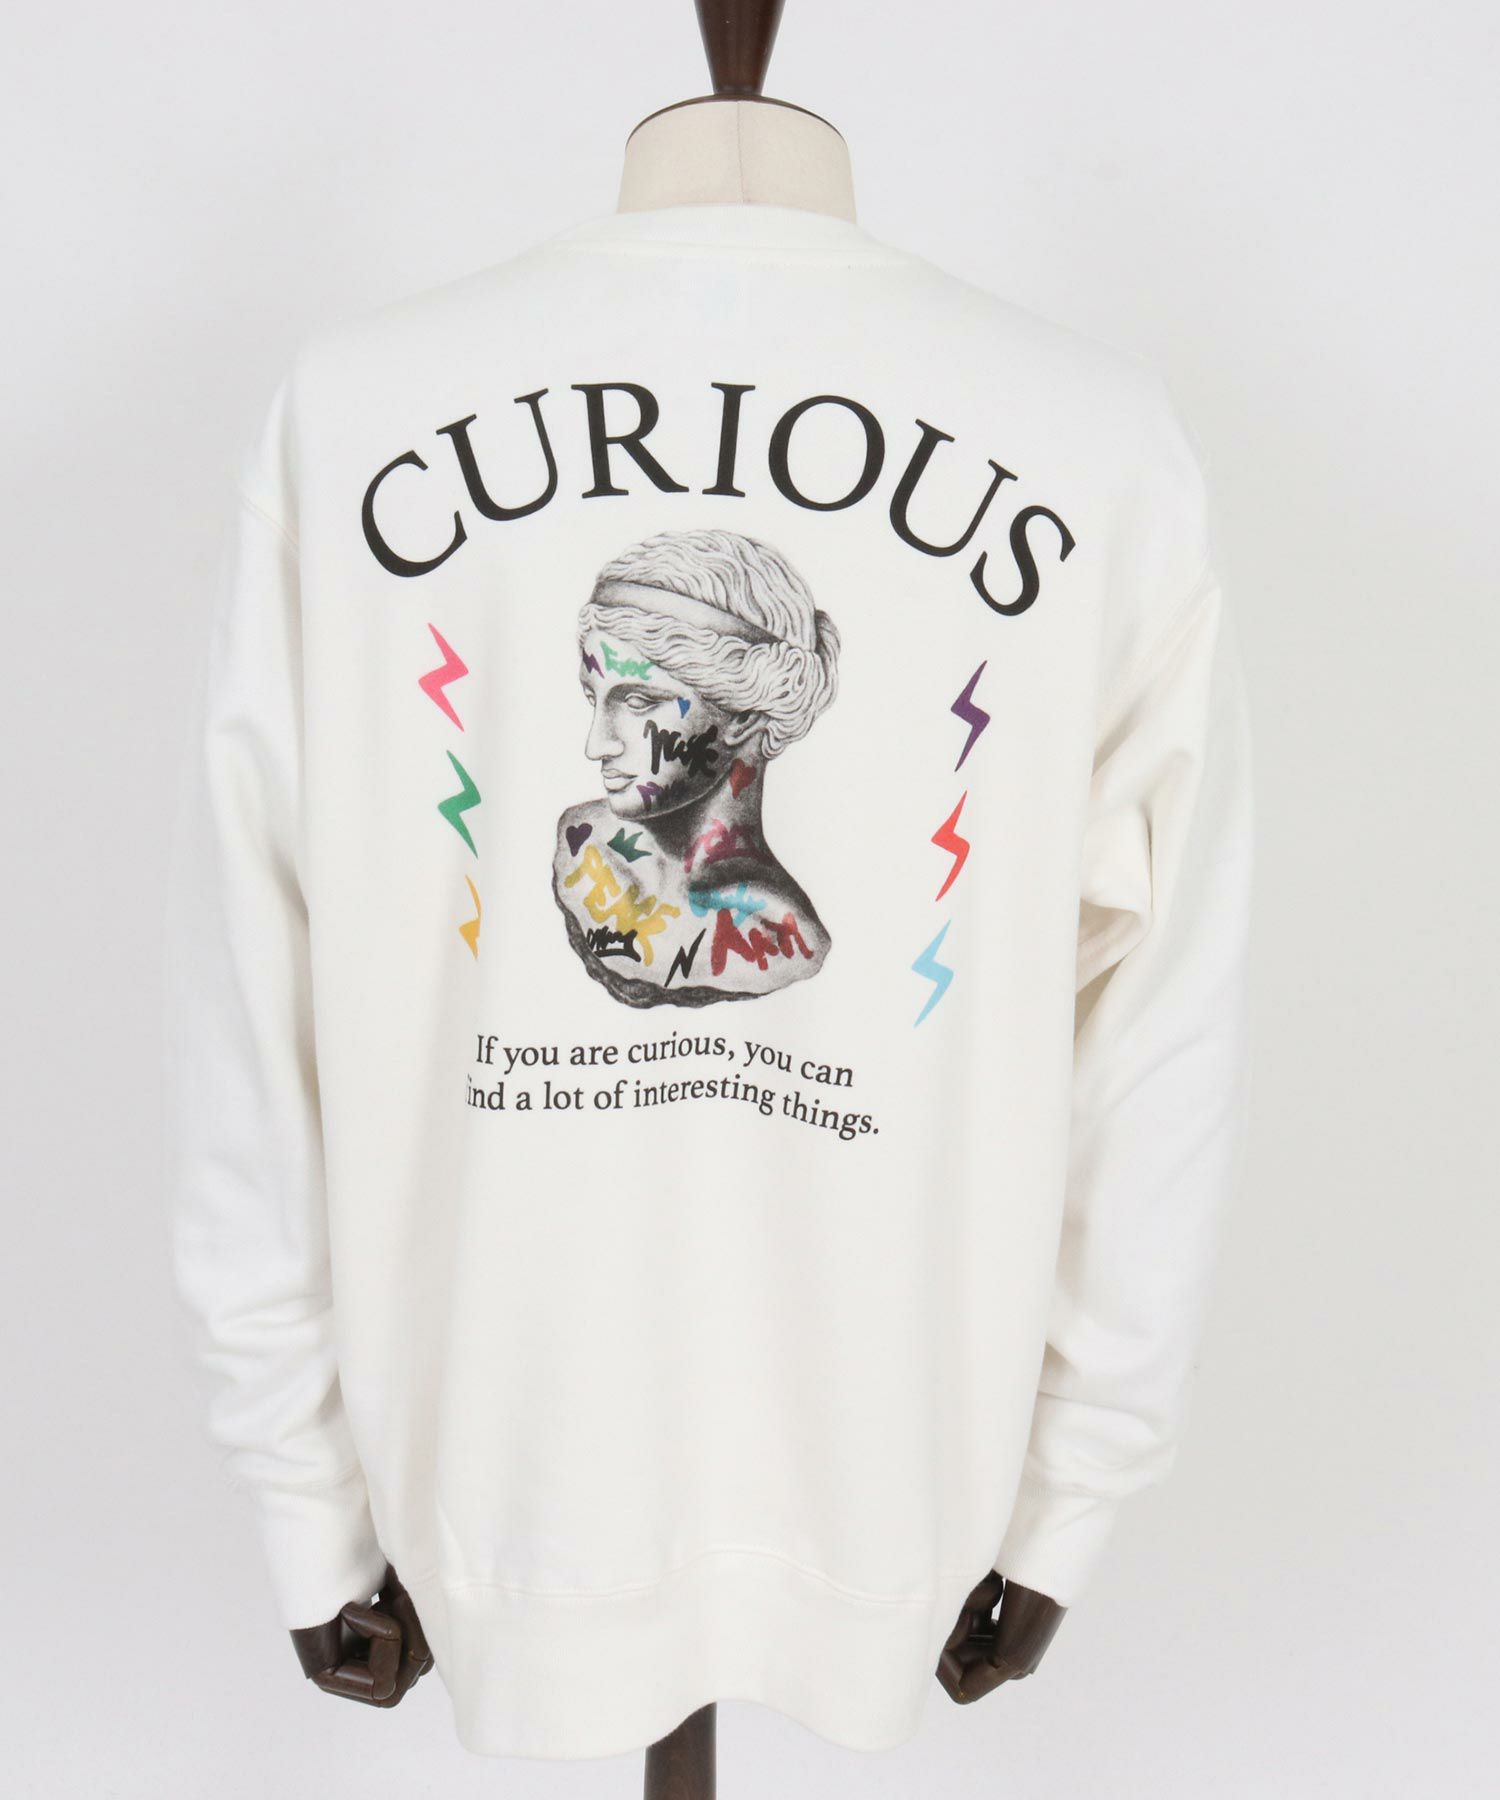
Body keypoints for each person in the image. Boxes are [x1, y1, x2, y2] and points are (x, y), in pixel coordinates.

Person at [552, 527, 840, 1007]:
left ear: (745, 715)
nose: (596, 744)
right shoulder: (582, 842)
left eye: (639, 702)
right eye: (592, 697)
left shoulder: (785, 936)